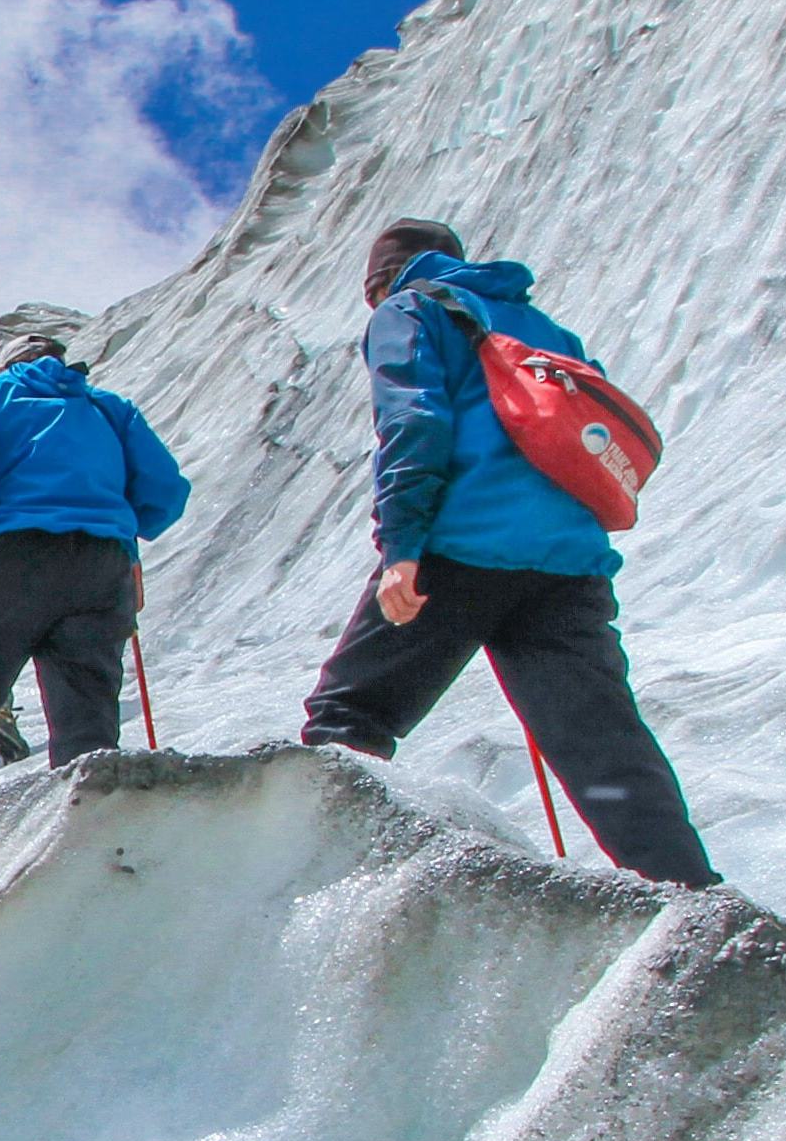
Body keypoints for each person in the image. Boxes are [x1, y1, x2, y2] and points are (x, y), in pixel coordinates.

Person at [299, 218, 718, 886]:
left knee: (350, 718)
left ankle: (314, 881)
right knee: (602, 745)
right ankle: (690, 896)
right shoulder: (542, 326)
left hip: (461, 548)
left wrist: (403, 547)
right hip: (569, 564)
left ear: (380, 282)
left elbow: (414, 420)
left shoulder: (409, 311)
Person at [0, 335, 187, 790]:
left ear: (6, 365)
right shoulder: (108, 408)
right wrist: (126, 523)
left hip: (13, 553)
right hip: (104, 563)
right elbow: (166, 489)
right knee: (86, 718)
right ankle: (87, 830)